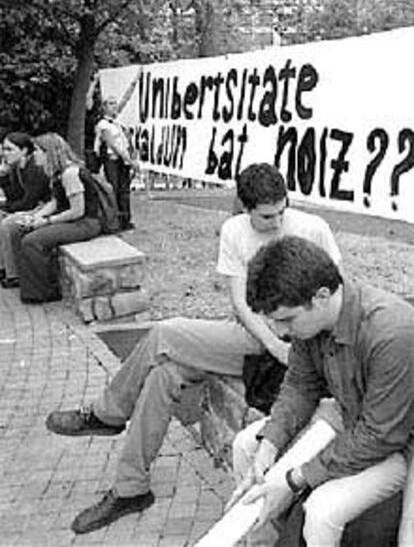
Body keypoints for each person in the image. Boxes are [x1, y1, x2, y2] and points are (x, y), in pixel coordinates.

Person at [45, 163, 342, 535]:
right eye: (267, 216)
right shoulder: (234, 231)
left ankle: (107, 413)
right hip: (256, 334)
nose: (278, 221)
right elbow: (240, 303)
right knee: (163, 373)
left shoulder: (314, 228)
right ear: (245, 208)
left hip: (296, 339)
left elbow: (333, 296)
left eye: (283, 210)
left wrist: (285, 347)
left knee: (165, 334)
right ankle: (130, 487)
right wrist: (270, 342)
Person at [230, 235, 414, 547]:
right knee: (246, 445)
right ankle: (265, 538)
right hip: (357, 420)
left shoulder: (392, 332)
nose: (279, 332)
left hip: (399, 443)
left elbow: (381, 437)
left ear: (321, 296)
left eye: (286, 319)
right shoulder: (309, 323)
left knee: (322, 510)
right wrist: (269, 448)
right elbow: (300, 386)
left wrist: (294, 478)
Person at [11, 132, 102, 303]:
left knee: (32, 241)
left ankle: (44, 291)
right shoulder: (57, 173)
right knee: (19, 230)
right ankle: (25, 283)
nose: (35, 155)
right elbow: (55, 202)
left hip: (85, 223)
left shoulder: (70, 174)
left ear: (50, 152)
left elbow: (77, 211)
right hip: (71, 220)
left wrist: (45, 222)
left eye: (38, 151)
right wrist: (35, 217)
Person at [0, 132, 50, 288]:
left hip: (44, 208)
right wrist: (3, 175)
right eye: (3, 149)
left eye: (9, 149)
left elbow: (28, 202)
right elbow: (14, 196)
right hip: (30, 206)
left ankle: (14, 274)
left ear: (24, 151)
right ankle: (3, 267)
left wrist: (7, 208)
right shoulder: (17, 168)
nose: (4, 153)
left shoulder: (36, 169)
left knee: (8, 225)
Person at [93, 96, 137, 231]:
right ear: (104, 107)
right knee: (114, 189)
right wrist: (131, 161)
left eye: (115, 103)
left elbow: (125, 100)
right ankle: (114, 221)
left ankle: (125, 219)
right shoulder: (102, 124)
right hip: (111, 160)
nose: (114, 106)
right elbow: (112, 145)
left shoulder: (117, 123)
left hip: (122, 161)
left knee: (124, 190)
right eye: (111, 103)